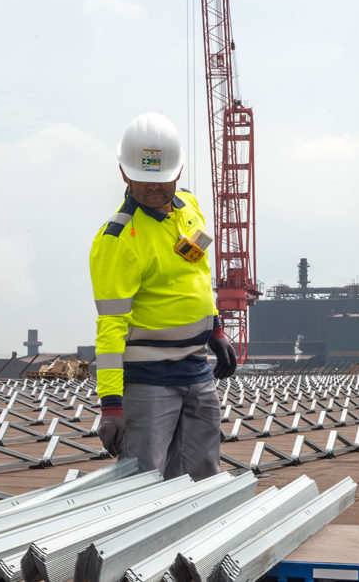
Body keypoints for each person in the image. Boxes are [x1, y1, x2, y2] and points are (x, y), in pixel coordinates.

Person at [88, 111, 237, 480]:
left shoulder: (190, 208)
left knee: (203, 471)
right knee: (144, 480)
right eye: (143, 181)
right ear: (124, 174)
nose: (154, 188)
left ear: (179, 172)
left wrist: (215, 330)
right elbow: (110, 328)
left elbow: (198, 273)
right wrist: (111, 405)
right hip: (148, 381)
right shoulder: (117, 240)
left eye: (163, 180)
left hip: (196, 370)